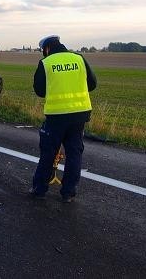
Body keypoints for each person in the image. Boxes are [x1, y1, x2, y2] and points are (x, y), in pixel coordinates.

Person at [29, 35, 97, 203]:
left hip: (56, 116)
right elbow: (93, 84)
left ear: (46, 48)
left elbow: (39, 90)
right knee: (74, 153)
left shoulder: (46, 63)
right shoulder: (79, 59)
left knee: (48, 152)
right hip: (80, 115)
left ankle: (39, 189)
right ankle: (68, 192)